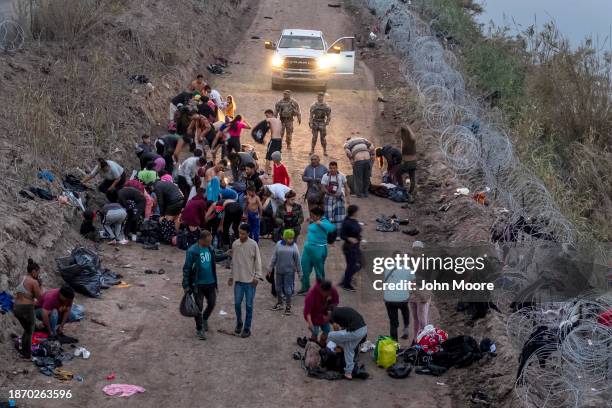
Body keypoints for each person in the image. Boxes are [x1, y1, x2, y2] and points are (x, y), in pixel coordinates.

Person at [228, 224, 262, 338]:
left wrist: (257, 276)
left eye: (243, 233)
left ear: (248, 233)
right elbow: (234, 262)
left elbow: (258, 261)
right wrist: (231, 276)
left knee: (249, 305)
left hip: (250, 282)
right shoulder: (235, 244)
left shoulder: (253, 244)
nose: (241, 235)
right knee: (237, 304)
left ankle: (247, 328)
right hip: (238, 280)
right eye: (239, 233)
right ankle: (239, 323)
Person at [182, 230, 218, 340]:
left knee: (212, 303)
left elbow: (215, 259)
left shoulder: (210, 248)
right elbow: (187, 269)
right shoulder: (192, 251)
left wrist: (226, 255)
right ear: (201, 240)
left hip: (211, 282)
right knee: (198, 307)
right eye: (207, 241)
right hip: (198, 284)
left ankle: (205, 319)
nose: (209, 243)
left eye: (210, 241)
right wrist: (186, 285)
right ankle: (199, 329)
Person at [298, 207, 336, 294]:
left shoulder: (324, 221)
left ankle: (321, 290)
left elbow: (332, 228)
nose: (311, 216)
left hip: (319, 249)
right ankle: (305, 287)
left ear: (318, 216)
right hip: (308, 249)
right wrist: (311, 221)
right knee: (304, 268)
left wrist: (320, 223)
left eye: (313, 215)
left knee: (319, 271)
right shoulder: (313, 220)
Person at [13, 259, 43, 358]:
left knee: (26, 329)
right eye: (38, 272)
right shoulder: (34, 282)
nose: (38, 275)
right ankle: (27, 354)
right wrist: (40, 285)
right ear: (34, 271)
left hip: (16, 307)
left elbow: (23, 293)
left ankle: (24, 350)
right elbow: (39, 298)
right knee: (30, 331)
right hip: (26, 308)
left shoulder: (21, 277)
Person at [327, 306, 368, 380]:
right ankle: (348, 373)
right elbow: (344, 329)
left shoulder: (333, 314)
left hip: (356, 331)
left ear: (328, 312)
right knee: (348, 349)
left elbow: (336, 329)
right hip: (364, 330)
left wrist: (337, 345)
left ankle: (339, 347)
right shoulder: (341, 311)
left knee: (330, 335)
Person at [268, 229, 302, 315]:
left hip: (289, 272)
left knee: (288, 290)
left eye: (292, 238)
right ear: (284, 237)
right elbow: (274, 257)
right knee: (278, 288)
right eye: (289, 238)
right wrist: (270, 268)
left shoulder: (294, 247)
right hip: (279, 271)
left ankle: (288, 306)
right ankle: (280, 303)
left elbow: (298, 261)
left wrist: (300, 273)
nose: (291, 240)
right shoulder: (278, 244)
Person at [383, 260, 412, 341]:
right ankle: (406, 328)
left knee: (393, 323)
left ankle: (394, 345)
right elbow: (412, 282)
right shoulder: (407, 269)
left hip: (389, 300)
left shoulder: (387, 269)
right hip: (402, 299)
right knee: (405, 310)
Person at [303, 280, 339, 344]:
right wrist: (310, 323)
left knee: (327, 330)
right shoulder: (311, 295)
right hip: (314, 316)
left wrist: (331, 319)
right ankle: (313, 345)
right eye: (327, 293)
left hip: (324, 313)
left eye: (329, 292)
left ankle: (322, 344)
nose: (329, 294)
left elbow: (335, 303)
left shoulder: (332, 290)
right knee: (315, 332)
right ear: (322, 290)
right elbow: (307, 312)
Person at [321, 161, 350, 231]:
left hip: (339, 198)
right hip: (328, 198)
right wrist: (329, 193)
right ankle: (329, 232)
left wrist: (348, 198)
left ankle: (338, 233)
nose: (332, 170)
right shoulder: (325, 176)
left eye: (334, 168)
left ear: (337, 168)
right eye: (331, 168)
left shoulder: (342, 175)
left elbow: (346, 187)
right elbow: (322, 188)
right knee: (328, 216)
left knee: (339, 216)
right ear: (329, 168)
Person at [340, 205, 361, 291]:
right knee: (351, 266)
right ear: (354, 212)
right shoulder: (347, 222)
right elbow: (342, 235)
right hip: (350, 248)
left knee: (359, 264)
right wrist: (349, 239)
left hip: (356, 247)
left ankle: (346, 279)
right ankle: (346, 284)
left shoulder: (353, 220)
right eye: (357, 211)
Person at [398, 125, 418, 202]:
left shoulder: (404, 143)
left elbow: (402, 154)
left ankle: (401, 188)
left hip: (406, 163)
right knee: (412, 178)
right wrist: (409, 128)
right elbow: (413, 136)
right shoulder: (412, 141)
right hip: (413, 162)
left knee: (398, 173)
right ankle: (410, 192)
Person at [264, 109, 282, 174]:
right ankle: (278, 172)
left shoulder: (271, 119)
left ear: (271, 114)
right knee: (277, 157)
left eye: (267, 115)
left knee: (268, 157)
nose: (266, 117)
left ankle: (265, 173)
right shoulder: (279, 121)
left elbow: (264, 122)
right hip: (279, 141)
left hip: (274, 140)